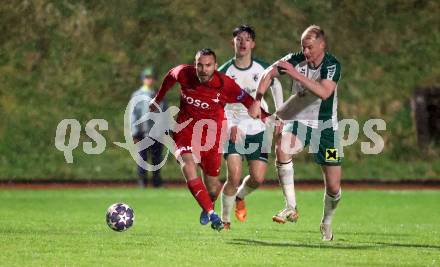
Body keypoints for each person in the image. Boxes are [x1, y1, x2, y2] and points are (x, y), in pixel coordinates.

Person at [149, 48, 269, 231]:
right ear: (194, 64)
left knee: (213, 188)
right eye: (200, 65)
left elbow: (246, 100)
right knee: (188, 164)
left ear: (215, 65)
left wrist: (267, 117)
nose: (203, 70)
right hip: (185, 131)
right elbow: (170, 77)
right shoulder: (184, 73)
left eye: (208, 65)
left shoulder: (225, 84)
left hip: (212, 137)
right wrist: (157, 99)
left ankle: (208, 203)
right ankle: (212, 213)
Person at [249, 25, 342, 241]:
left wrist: (293, 75)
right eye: (303, 47)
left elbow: (324, 92)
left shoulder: (332, 65)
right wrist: (257, 99)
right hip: (299, 120)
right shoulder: (295, 59)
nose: (306, 51)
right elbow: (268, 73)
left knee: (334, 188)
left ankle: (326, 221)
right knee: (282, 148)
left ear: (322, 45)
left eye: (310, 47)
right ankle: (290, 206)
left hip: (326, 128)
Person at [218, 25, 283, 230]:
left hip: (258, 129)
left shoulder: (263, 68)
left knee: (257, 178)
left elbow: (276, 85)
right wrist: (229, 126)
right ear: (233, 43)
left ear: (253, 44)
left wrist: (279, 114)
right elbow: (217, 103)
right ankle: (225, 220)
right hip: (234, 129)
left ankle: (240, 196)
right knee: (234, 176)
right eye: (239, 39)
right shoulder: (224, 72)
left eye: (247, 39)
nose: (243, 42)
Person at [130, 66, 166, 188]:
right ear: (143, 79)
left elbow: (164, 113)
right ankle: (142, 181)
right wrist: (134, 132)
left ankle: (157, 181)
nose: (149, 80)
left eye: (151, 78)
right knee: (142, 159)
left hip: (157, 133)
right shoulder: (137, 95)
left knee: (157, 159)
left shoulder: (159, 94)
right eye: (147, 77)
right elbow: (133, 114)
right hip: (142, 133)